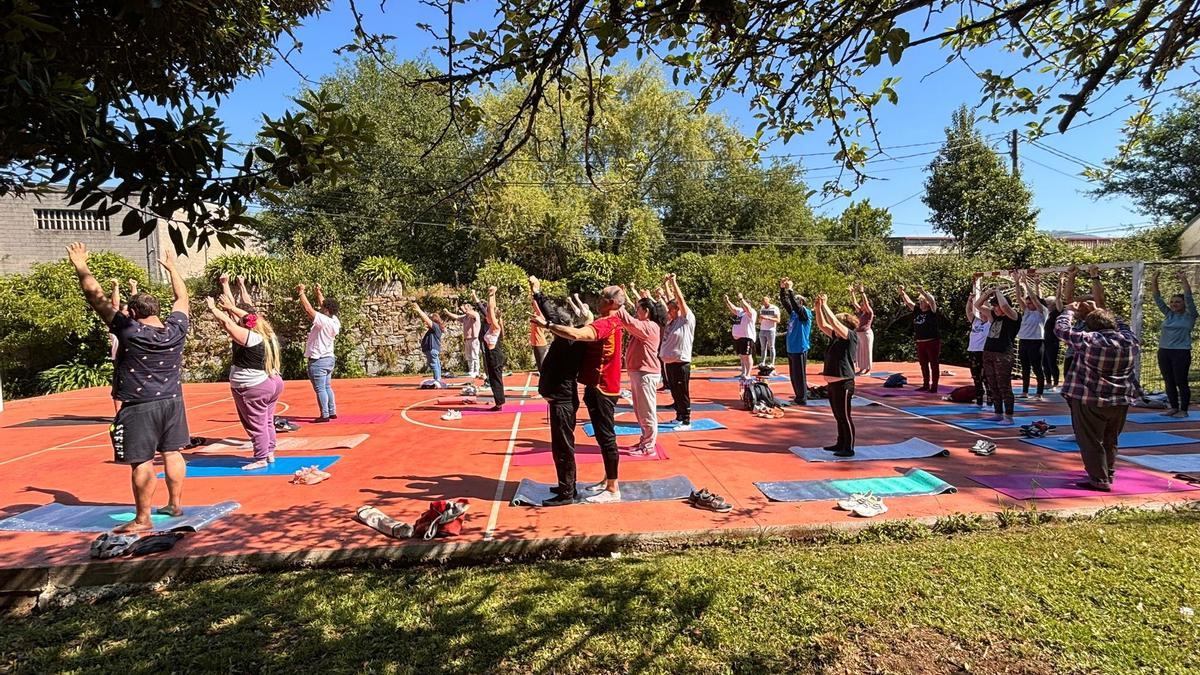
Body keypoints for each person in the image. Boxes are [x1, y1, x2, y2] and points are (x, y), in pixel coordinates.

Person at [67, 242, 189, 533]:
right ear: (157, 310)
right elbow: (182, 297)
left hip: (139, 406)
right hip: (173, 401)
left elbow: (96, 298)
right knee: (173, 452)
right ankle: (174, 504)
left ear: (133, 313)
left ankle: (143, 519)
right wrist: (173, 268)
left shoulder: (130, 330)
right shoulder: (176, 328)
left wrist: (81, 266)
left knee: (141, 461)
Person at [538, 285, 626, 503]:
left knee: (606, 438)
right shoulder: (608, 321)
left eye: (602, 297)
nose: (598, 300)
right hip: (596, 388)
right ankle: (608, 480)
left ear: (611, 303)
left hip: (603, 388)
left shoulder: (606, 323)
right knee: (601, 437)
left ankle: (613, 488)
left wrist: (548, 325)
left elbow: (577, 334)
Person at [1057, 264, 1141, 491]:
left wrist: (1069, 312)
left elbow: (1061, 329)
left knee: (1091, 440)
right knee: (1111, 439)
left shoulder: (1089, 340)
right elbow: (1119, 323)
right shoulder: (1129, 340)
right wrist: (1101, 307)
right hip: (1120, 400)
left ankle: (1099, 480)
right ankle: (1108, 473)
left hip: (1091, 400)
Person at [529, 276, 591, 506]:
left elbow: (552, 316)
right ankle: (567, 485)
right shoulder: (568, 340)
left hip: (563, 401)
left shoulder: (569, 341)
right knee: (561, 447)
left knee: (563, 448)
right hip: (561, 399)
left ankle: (567, 493)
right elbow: (555, 317)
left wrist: (538, 293)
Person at [204, 295, 284, 471]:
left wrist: (213, 309)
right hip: (272, 382)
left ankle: (261, 457)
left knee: (256, 424)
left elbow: (228, 325)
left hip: (254, 387)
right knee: (267, 420)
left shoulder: (251, 338)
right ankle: (269, 451)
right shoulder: (267, 333)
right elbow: (248, 318)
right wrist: (231, 308)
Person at [619, 285, 664, 456]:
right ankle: (645, 440)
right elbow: (629, 322)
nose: (635, 311)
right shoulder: (645, 325)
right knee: (640, 410)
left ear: (645, 311)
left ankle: (649, 446)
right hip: (639, 372)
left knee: (647, 411)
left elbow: (629, 322)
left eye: (637, 309)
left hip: (646, 374)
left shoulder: (650, 326)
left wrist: (619, 304)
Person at [813, 293, 859, 457]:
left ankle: (849, 447)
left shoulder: (850, 336)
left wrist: (825, 304)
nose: (834, 327)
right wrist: (818, 308)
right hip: (833, 383)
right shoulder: (836, 337)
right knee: (838, 416)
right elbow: (823, 324)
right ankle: (840, 442)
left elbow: (832, 321)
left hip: (844, 382)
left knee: (845, 416)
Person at [1152, 269, 1198, 417]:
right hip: (1164, 351)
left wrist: (1183, 279)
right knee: (1168, 380)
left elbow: (1189, 296)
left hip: (1181, 352)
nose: (1173, 304)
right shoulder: (1168, 314)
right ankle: (1173, 407)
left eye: (1177, 302)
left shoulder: (1190, 315)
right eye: (1172, 302)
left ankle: (1183, 410)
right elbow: (1157, 298)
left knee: (1180, 380)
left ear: (1184, 303)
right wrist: (1154, 279)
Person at [977, 283, 1020, 423]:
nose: (995, 308)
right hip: (989, 352)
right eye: (994, 306)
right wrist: (989, 291)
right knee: (992, 384)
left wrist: (998, 292)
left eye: (997, 306)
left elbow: (1006, 307)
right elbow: (978, 305)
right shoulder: (994, 317)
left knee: (1004, 385)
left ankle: (1009, 415)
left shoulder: (1013, 317)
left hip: (1003, 354)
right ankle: (998, 412)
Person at [298, 283, 340, 422]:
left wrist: (301, 293)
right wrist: (318, 292)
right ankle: (332, 411)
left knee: (320, 389)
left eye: (323, 307)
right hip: (329, 358)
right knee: (327, 386)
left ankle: (325, 415)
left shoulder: (323, 321)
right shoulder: (334, 320)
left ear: (326, 310)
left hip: (318, 360)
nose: (321, 307)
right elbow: (324, 304)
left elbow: (308, 309)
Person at [660, 273, 696, 429]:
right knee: (674, 391)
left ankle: (686, 420)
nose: (668, 312)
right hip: (670, 362)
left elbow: (679, 300)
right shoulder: (672, 321)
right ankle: (679, 416)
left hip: (681, 362)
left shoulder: (686, 319)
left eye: (671, 310)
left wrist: (674, 282)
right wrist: (666, 284)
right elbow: (671, 300)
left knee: (682, 392)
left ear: (678, 310)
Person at [899, 285, 941, 392]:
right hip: (920, 342)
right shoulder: (917, 311)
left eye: (922, 302)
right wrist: (902, 293)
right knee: (923, 364)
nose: (921, 304)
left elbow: (932, 301)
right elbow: (909, 303)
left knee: (933, 363)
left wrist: (922, 291)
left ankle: (934, 386)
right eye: (920, 302)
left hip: (932, 341)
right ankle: (926, 384)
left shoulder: (932, 311)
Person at [1015, 270, 1048, 401]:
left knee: (1037, 367)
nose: (1028, 305)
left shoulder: (1042, 311)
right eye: (1027, 303)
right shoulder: (1027, 311)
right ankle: (1025, 391)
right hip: (1024, 340)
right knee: (1025, 367)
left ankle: (1039, 393)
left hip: (1036, 341)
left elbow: (1034, 298)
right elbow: (1018, 298)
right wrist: (1017, 282)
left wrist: (1026, 283)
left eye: (1030, 303)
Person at [779, 277, 812, 404]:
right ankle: (798, 396)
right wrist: (782, 288)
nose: (795, 301)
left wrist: (790, 289)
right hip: (791, 347)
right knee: (793, 376)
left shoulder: (805, 313)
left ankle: (802, 398)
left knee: (800, 375)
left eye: (798, 299)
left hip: (800, 347)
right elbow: (785, 301)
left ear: (802, 302)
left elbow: (794, 304)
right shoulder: (793, 314)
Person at [107, 277, 137, 416]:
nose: (126, 313)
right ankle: (119, 414)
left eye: (127, 311)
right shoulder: (117, 324)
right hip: (119, 358)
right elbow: (114, 305)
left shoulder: (134, 324)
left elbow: (136, 304)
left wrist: (133, 287)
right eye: (124, 311)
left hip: (134, 356)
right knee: (119, 387)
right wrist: (116, 286)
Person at [477, 286, 507, 411]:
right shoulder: (491, 325)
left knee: (496, 380)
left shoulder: (495, 326)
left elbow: (491, 309)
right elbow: (492, 308)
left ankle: (499, 403)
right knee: (493, 379)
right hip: (492, 355)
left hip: (494, 355)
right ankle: (499, 402)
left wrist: (490, 295)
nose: (486, 316)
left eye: (489, 315)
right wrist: (493, 295)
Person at [966, 273, 992, 408]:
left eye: (983, 313)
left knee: (986, 376)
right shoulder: (976, 321)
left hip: (983, 352)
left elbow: (986, 309)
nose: (982, 314)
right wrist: (969, 300)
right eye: (980, 313)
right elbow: (969, 312)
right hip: (973, 351)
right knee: (976, 377)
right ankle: (979, 397)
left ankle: (990, 397)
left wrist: (985, 295)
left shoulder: (990, 323)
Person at [410, 301, 446, 388]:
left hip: (432, 349)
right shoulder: (436, 329)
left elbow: (426, 319)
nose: (425, 323)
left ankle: (437, 381)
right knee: (436, 364)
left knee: (434, 364)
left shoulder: (435, 327)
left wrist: (418, 310)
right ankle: (438, 379)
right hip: (433, 349)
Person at [444, 302, 482, 378]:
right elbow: (457, 317)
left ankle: (476, 371)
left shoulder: (475, 314)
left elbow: (471, 314)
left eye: (466, 307)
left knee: (475, 355)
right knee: (468, 355)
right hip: (467, 338)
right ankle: (471, 370)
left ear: (470, 308)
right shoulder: (465, 317)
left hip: (474, 338)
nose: (464, 309)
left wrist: (464, 310)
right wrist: (448, 312)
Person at [724, 292, 757, 379]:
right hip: (739, 337)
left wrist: (741, 299)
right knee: (742, 356)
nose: (742, 306)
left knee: (747, 355)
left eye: (744, 304)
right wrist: (727, 301)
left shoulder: (752, 312)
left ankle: (748, 374)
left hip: (747, 337)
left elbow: (748, 309)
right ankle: (743, 372)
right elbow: (733, 308)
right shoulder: (741, 312)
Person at [1042, 275, 1065, 393]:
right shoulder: (1047, 313)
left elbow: (1058, 298)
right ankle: (1048, 382)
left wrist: (1060, 284)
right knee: (1044, 362)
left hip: (1053, 340)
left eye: (1047, 304)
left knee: (1052, 361)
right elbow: (1038, 299)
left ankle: (1056, 383)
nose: (1046, 306)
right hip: (1044, 340)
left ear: (1053, 304)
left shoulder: (1058, 312)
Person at [848, 282, 874, 375]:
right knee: (860, 352)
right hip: (859, 334)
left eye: (862, 304)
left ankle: (867, 369)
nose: (861, 305)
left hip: (866, 333)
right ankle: (861, 368)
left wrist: (862, 292)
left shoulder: (869, 312)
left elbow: (866, 303)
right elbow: (854, 303)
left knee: (867, 351)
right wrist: (852, 293)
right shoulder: (860, 312)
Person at [757, 295, 781, 369]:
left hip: (771, 330)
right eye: (763, 301)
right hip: (762, 329)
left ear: (768, 300)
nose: (764, 303)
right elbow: (760, 320)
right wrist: (760, 319)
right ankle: (762, 362)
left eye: (765, 301)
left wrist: (767, 318)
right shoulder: (762, 308)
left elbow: (778, 320)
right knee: (763, 347)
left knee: (771, 347)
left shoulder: (775, 308)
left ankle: (772, 363)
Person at [530, 297, 551, 372]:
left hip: (540, 342)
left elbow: (537, 307)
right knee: (539, 365)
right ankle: (542, 382)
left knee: (542, 365)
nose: (532, 306)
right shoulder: (535, 314)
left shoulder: (541, 315)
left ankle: (545, 382)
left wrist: (534, 297)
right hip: (535, 342)